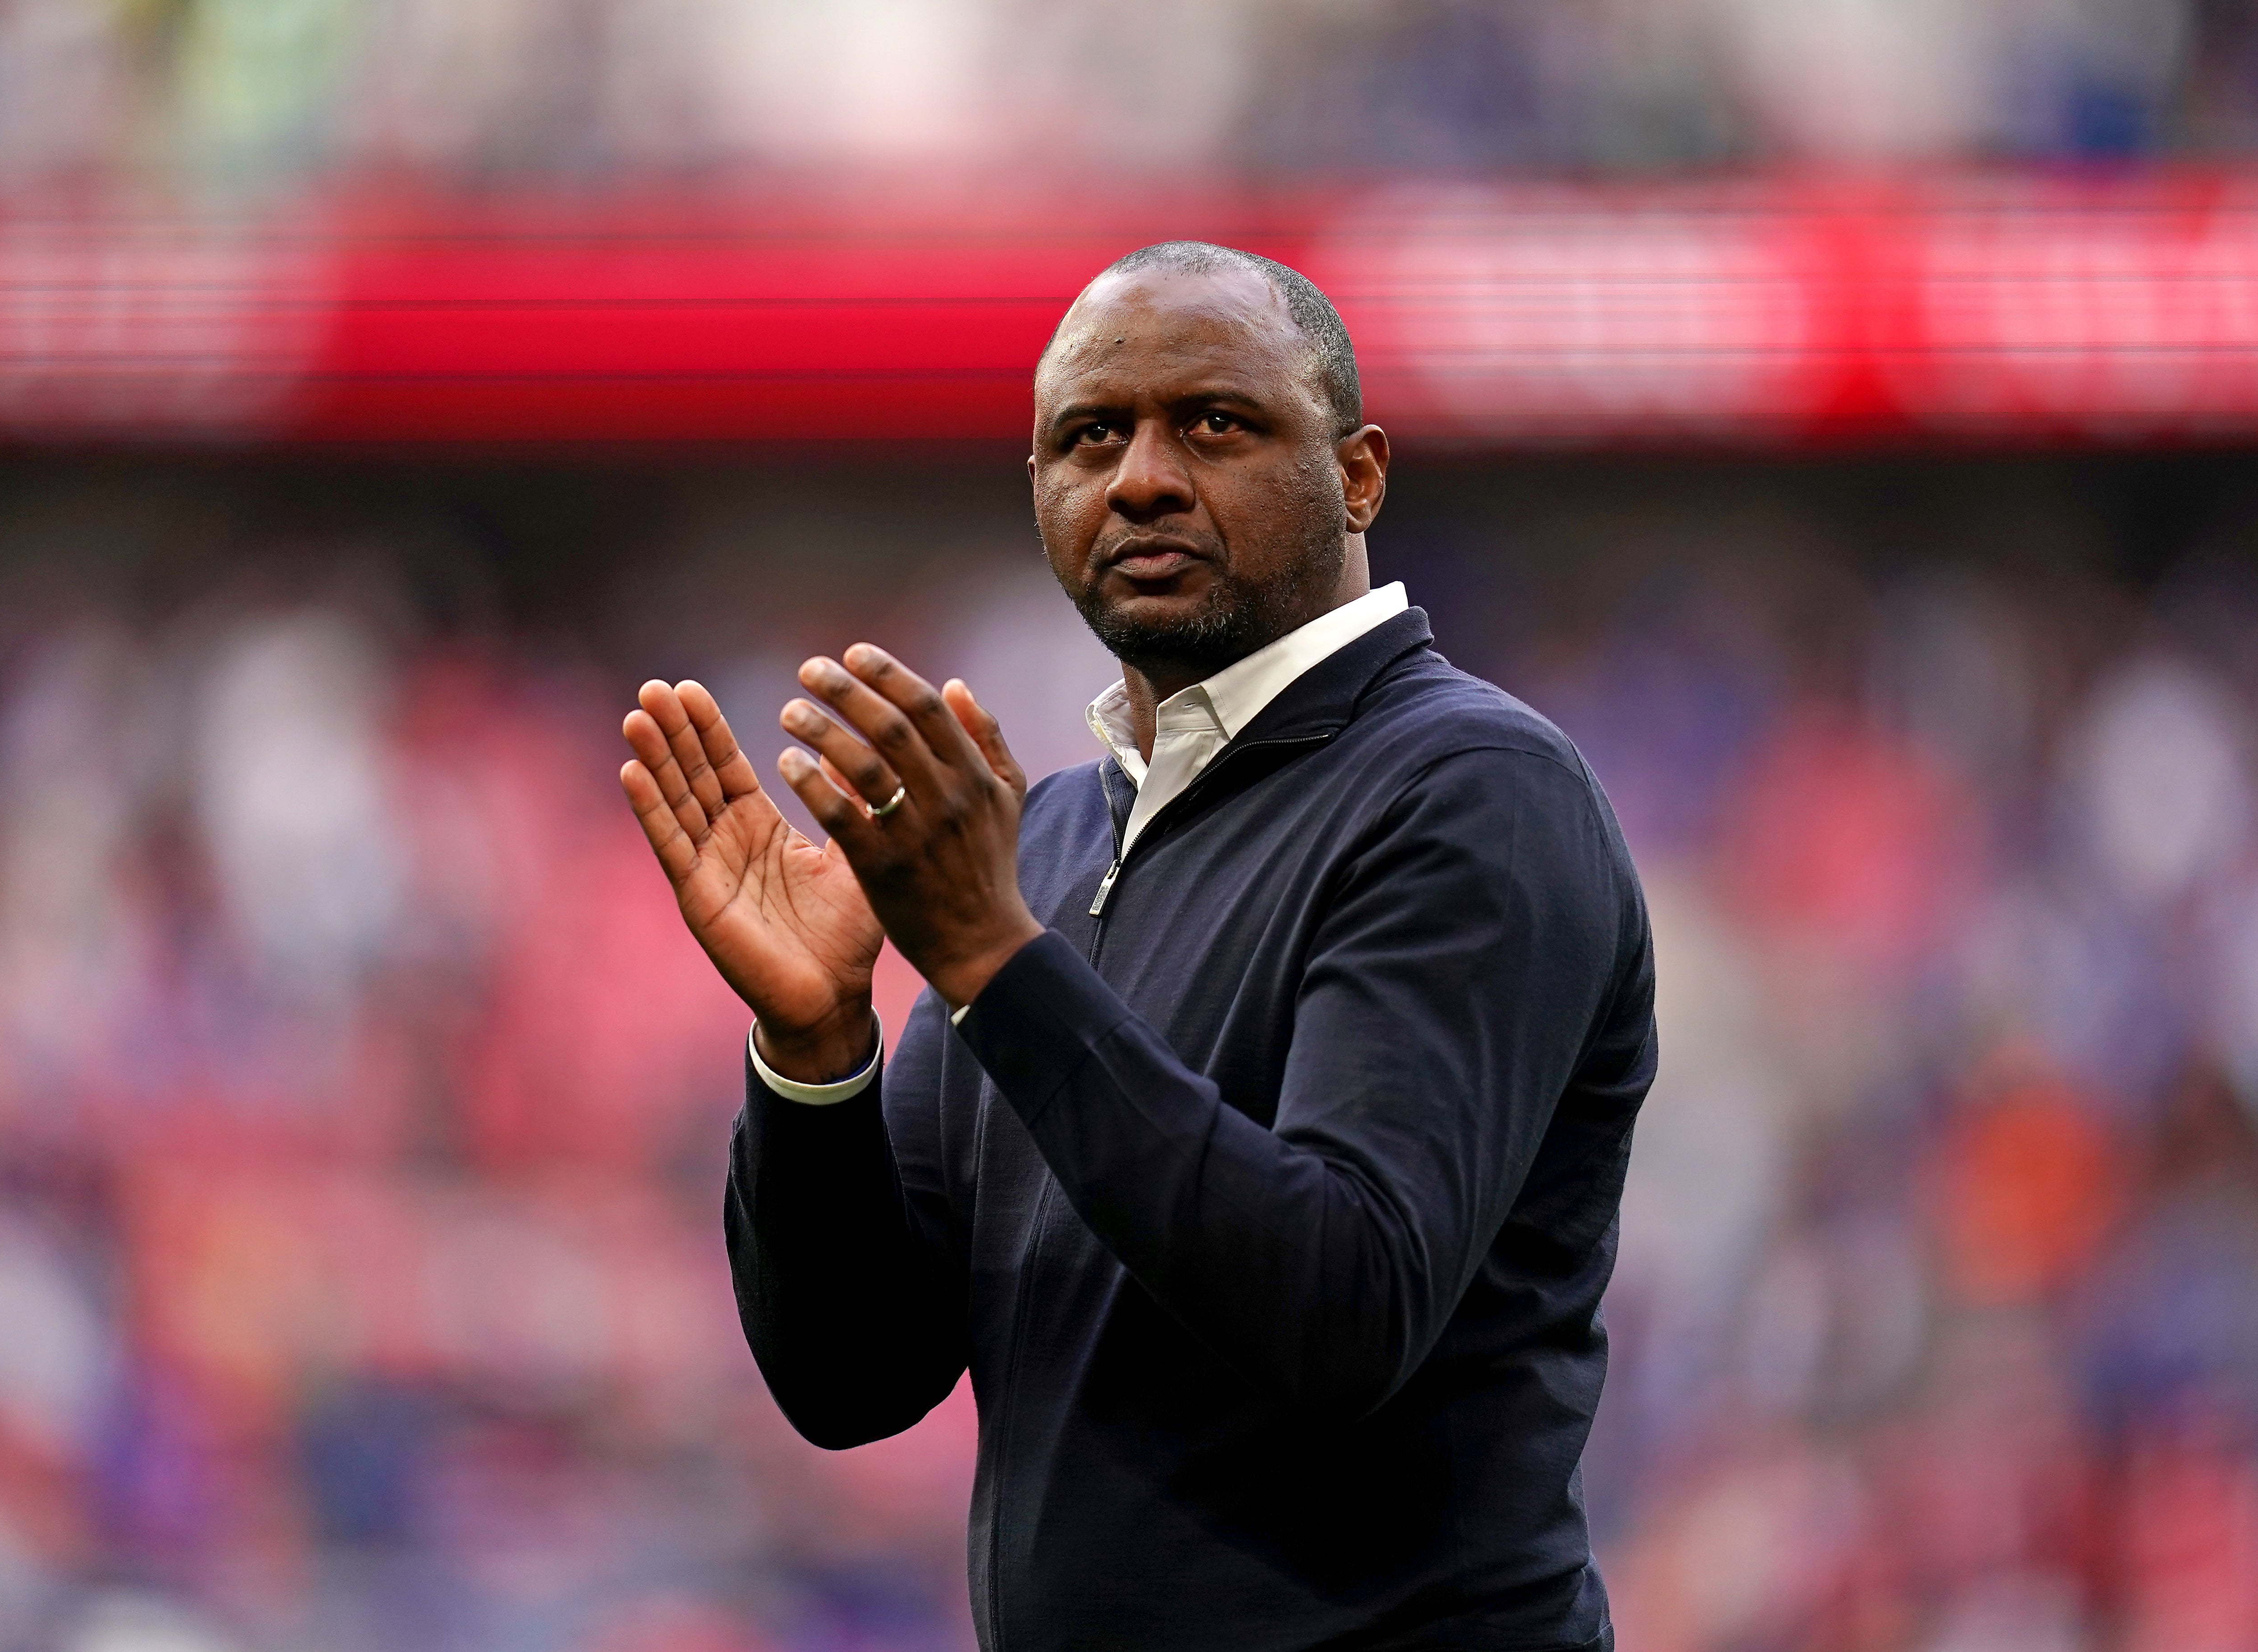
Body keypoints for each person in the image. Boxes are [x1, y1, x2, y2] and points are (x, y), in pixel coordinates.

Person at [616, 242, 1656, 1652]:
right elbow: (853, 1376)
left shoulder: (1469, 789)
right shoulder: (1045, 838)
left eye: (1215, 424)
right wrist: (816, 1057)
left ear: (1358, 475)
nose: (1143, 477)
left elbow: (1345, 1302)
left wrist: (992, 957)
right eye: (1089, 436)